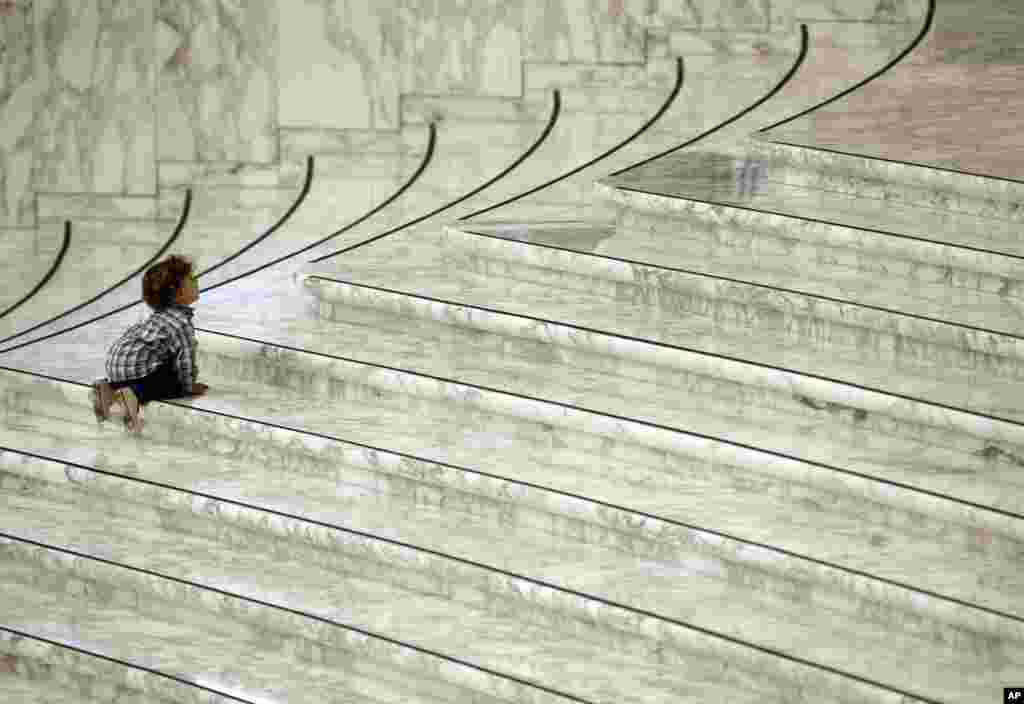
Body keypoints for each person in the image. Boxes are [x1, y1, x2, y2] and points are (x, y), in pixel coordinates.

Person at [91, 254, 208, 433]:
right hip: (137, 371)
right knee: (171, 379)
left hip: (115, 365)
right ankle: (132, 395)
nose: (196, 281)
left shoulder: (155, 317)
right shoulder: (181, 322)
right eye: (191, 279)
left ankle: (108, 388)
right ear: (177, 292)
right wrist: (188, 386)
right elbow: (185, 357)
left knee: (152, 364)